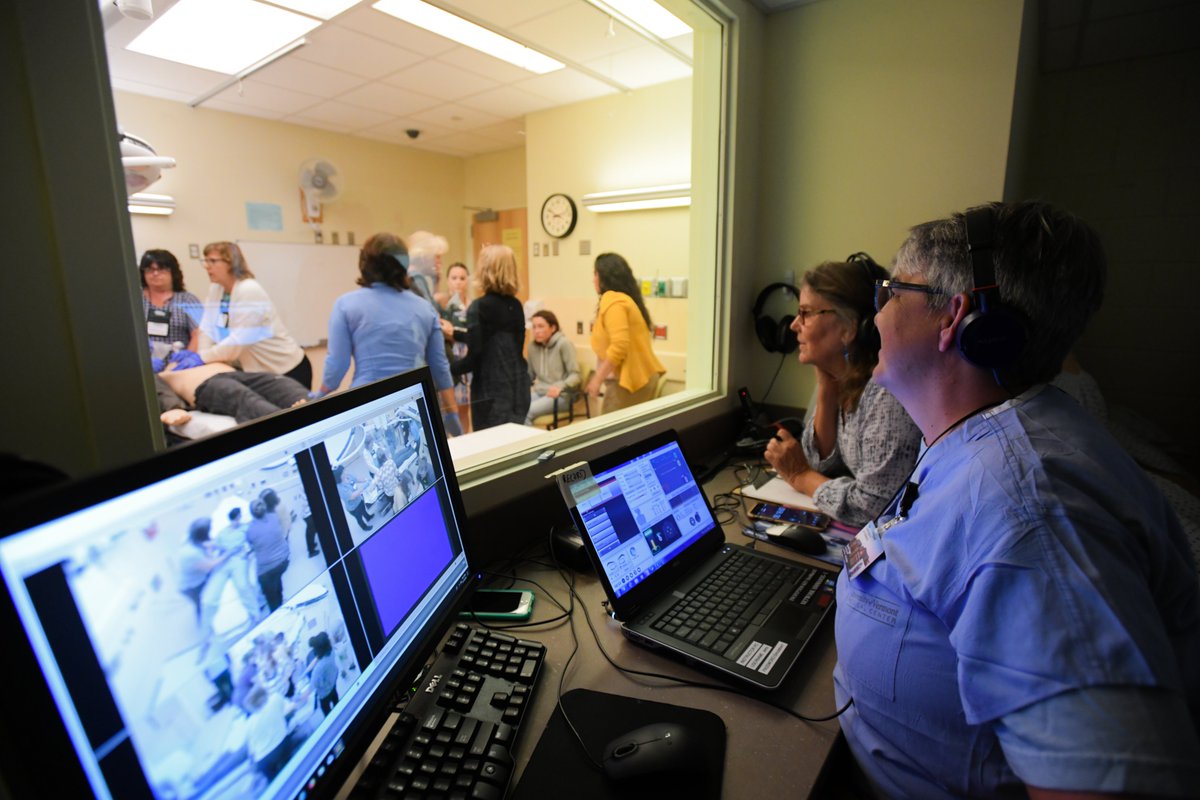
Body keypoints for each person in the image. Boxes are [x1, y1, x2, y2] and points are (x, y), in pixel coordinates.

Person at [834, 200, 1200, 798]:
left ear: (953, 316)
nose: (877, 313)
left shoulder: (1029, 509)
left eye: (891, 291)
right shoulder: (979, 432)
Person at [762, 256, 921, 526]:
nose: (793, 325)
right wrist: (826, 384)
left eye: (806, 313)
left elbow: (873, 506)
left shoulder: (886, 393)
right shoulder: (848, 382)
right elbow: (821, 464)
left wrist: (800, 477)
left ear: (848, 328)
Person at [318, 233, 462, 436]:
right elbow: (440, 368)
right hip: (416, 405)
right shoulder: (424, 308)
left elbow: (337, 366)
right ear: (404, 265)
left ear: (365, 263)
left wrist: (317, 395)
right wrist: (452, 414)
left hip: (368, 406)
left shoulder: (346, 305)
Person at [196, 241, 312, 389]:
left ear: (231, 263)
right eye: (205, 261)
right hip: (259, 373)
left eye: (212, 261)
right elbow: (207, 327)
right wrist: (201, 355)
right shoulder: (216, 289)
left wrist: (203, 357)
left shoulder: (249, 290)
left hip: (287, 369)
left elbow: (238, 343)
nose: (206, 266)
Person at [450, 245, 530, 429]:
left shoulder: (479, 307)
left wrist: (446, 369)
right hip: (518, 390)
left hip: (490, 395)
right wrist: (455, 334)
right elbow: (502, 344)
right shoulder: (516, 305)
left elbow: (475, 358)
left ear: (485, 270)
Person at [585, 253, 665, 413]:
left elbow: (619, 346)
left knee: (610, 428)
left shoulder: (613, 301)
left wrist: (596, 380)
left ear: (604, 277)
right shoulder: (625, 300)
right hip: (641, 380)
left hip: (628, 384)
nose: (593, 280)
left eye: (595, 274)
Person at [154, 350, 309, 425]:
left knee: (282, 383)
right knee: (243, 397)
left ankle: (310, 409)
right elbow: (159, 390)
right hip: (208, 384)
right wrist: (173, 408)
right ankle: (292, 426)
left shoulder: (197, 355)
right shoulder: (160, 373)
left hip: (238, 374)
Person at [139, 249, 202, 352]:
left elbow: (198, 334)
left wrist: (187, 357)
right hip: (142, 359)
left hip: (179, 359)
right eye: (150, 269)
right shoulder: (136, 300)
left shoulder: (188, 300)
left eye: (161, 269)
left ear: (173, 272)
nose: (155, 273)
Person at [525, 310, 581, 425]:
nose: (536, 331)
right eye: (534, 327)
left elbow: (576, 375)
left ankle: (534, 438)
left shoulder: (564, 344)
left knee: (526, 412)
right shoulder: (532, 347)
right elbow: (529, 375)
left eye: (541, 326)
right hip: (541, 391)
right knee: (513, 409)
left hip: (562, 395)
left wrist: (560, 386)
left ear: (553, 328)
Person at [246, 499, 289, 612]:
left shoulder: (250, 529)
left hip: (267, 569)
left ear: (252, 513)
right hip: (283, 561)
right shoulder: (274, 517)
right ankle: (281, 601)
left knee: (271, 596)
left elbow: (250, 544)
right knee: (277, 580)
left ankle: (277, 613)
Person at [406, 230, 448, 304]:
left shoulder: (413, 275)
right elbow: (428, 309)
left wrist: (436, 282)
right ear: (424, 256)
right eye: (437, 257)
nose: (440, 262)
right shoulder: (416, 278)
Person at [306, 631, 338, 716]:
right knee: (337, 703)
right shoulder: (331, 652)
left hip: (324, 695)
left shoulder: (318, 669)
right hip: (332, 685)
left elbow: (311, 687)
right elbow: (317, 658)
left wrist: (297, 699)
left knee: (329, 715)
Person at [333, 465, 372, 531]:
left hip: (359, 499)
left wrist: (365, 479)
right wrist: (364, 487)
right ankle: (364, 527)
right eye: (343, 472)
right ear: (339, 476)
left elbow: (356, 479)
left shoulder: (348, 476)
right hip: (353, 508)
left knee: (363, 509)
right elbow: (352, 496)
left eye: (344, 470)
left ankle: (368, 517)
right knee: (359, 518)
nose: (345, 472)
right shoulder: (340, 488)